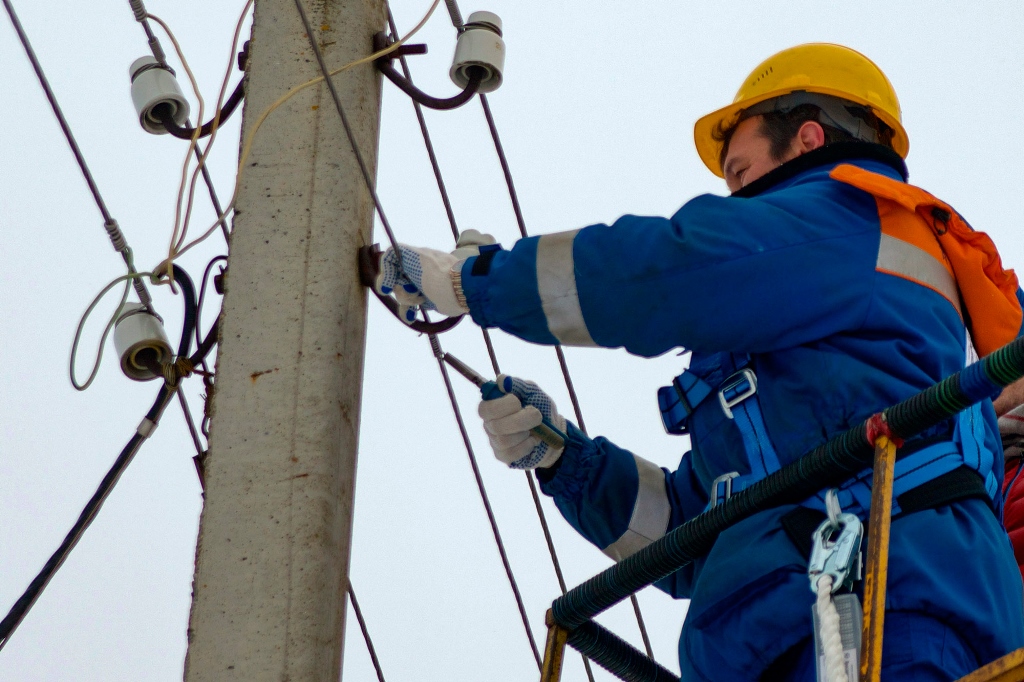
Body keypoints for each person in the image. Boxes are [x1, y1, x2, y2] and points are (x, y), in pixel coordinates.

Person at [373, 43, 1024, 680]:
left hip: (886, 609)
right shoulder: (823, 343)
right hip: (798, 620)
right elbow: (695, 531)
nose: (733, 198)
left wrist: (478, 281)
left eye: (739, 172)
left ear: (808, 141)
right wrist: (565, 460)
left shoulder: (851, 219)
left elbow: (666, 272)